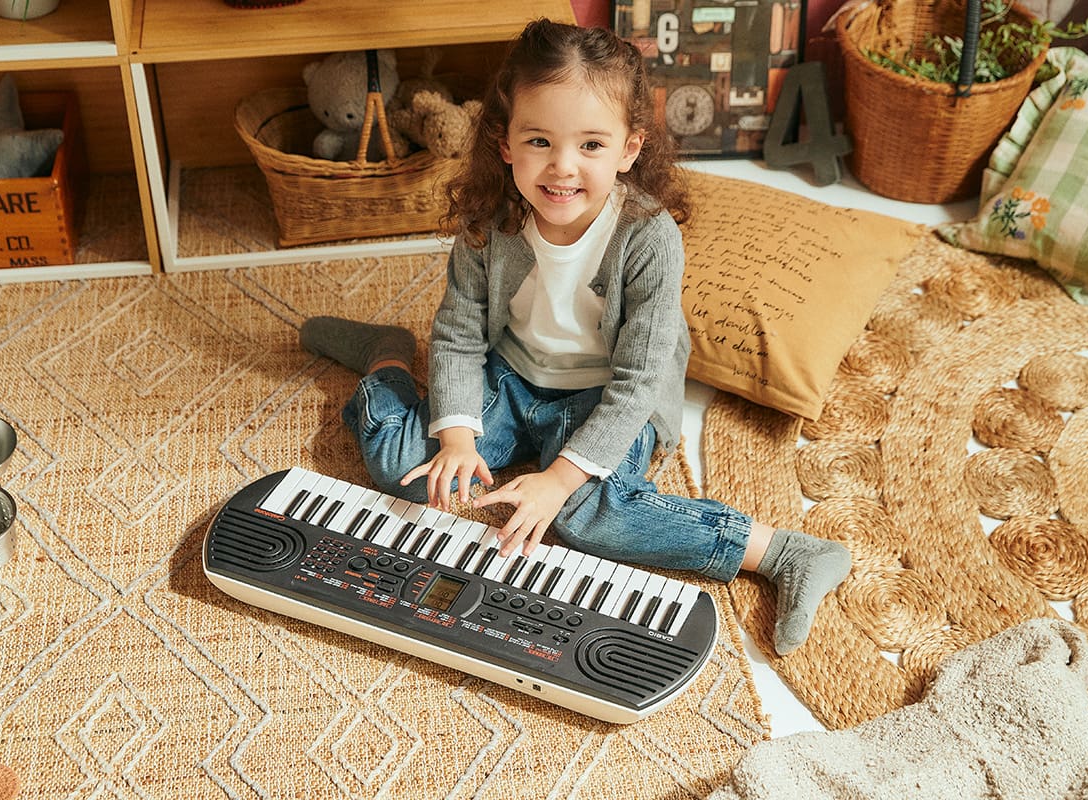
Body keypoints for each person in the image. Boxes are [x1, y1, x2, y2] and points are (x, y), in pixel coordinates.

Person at [299, 18, 850, 655]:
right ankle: (387, 356)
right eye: (540, 140)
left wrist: (560, 479)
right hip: (510, 376)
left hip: (606, 400)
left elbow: (639, 383)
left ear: (629, 149)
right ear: (505, 143)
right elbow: (457, 335)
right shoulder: (488, 222)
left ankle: (784, 552)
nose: (563, 168)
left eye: (591, 145)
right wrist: (454, 436)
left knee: (588, 517)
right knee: (407, 468)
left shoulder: (649, 239)